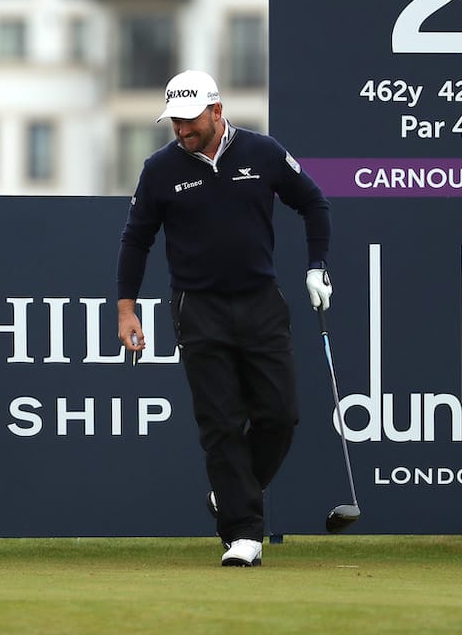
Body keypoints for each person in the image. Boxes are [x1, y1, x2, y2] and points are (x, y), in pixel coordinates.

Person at [116, 69, 331, 568]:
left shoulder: (263, 152)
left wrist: (317, 266)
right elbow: (136, 239)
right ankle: (243, 533)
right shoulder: (160, 168)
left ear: (217, 111)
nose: (181, 130)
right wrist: (126, 307)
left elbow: (313, 203)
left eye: (190, 120)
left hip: (261, 303)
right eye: (174, 121)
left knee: (279, 416)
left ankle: (232, 494)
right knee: (220, 423)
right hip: (198, 309)